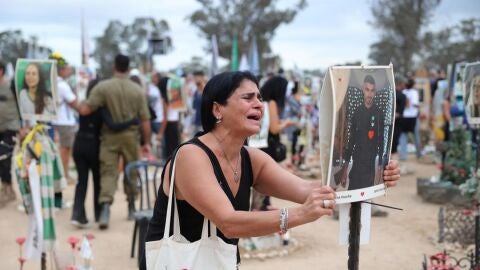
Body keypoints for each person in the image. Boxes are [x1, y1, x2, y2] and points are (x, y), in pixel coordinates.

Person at [140, 71, 400, 269]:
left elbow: (310, 190)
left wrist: (373, 177)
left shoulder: (252, 159)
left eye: (260, 98)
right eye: (248, 98)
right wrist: (298, 215)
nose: (259, 105)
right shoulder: (191, 156)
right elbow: (229, 223)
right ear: (217, 109)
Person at [78, 54, 151, 229]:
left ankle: (105, 209)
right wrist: (146, 141)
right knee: (131, 171)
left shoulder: (103, 87)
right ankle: (132, 207)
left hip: (109, 137)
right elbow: (145, 120)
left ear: (114, 67)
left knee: (108, 172)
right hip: (131, 137)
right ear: (128, 68)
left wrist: (78, 102)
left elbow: (86, 110)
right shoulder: (138, 90)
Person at [335, 75, 387, 190]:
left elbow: (381, 141)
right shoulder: (357, 112)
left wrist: (380, 168)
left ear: (375, 92)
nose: (369, 94)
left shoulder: (379, 114)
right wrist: (344, 171)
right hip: (356, 164)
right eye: (367, 90)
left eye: (372, 90)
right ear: (363, 89)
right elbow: (351, 141)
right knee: (353, 198)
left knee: (365, 201)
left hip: (370, 166)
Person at [71, 78, 102, 228]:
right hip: (94, 145)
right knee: (98, 181)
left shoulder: (83, 105)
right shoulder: (101, 107)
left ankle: (78, 215)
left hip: (79, 143)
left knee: (81, 181)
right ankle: (99, 213)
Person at [49, 53, 78, 185]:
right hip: (64, 122)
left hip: (58, 121)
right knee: (64, 150)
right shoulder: (62, 85)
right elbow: (74, 102)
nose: (69, 70)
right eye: (66, 68)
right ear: (60, 70)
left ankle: (64, 174)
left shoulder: (53, 82)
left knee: (64, 149)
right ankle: (63, 176)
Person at [0, 61, 21, 207]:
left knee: (4, 157)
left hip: (11, 127)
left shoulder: (12, 86)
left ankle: (8, 190)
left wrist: (23, 126)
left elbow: (23, 104)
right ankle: (6, 187)